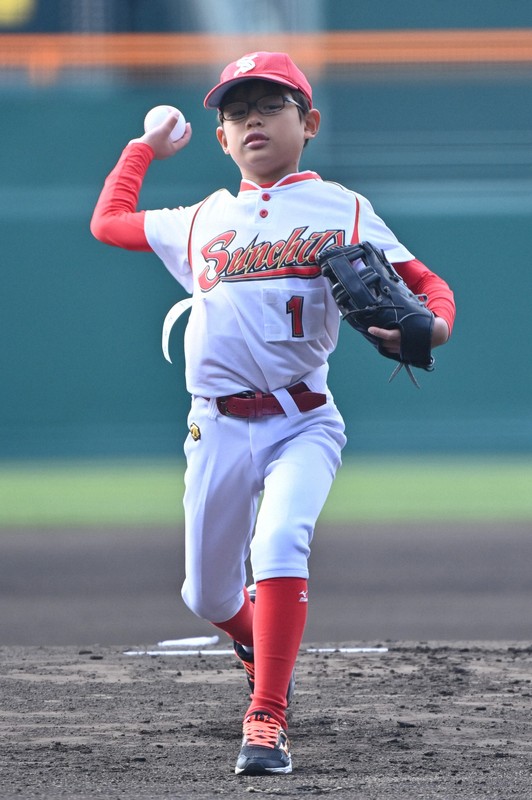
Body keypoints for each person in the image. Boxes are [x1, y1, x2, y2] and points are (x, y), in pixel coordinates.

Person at [90, 51, 455, 776]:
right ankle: (257, 639)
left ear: (307, 122)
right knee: (206, 593)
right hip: (214, 425)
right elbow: (108, 223)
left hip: (302, 420)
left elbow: (425, 284)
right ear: (221, 139)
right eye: (234, 110)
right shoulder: (199, 220)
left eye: (269, 103)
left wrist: (433, 327)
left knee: (280, 543)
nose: (250, 117)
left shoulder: (341, 208)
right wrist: (142, 149)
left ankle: (266, 719)